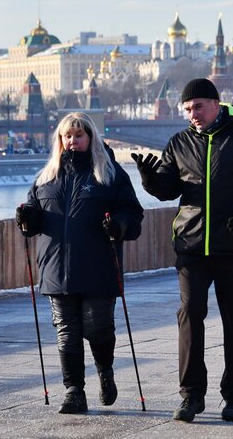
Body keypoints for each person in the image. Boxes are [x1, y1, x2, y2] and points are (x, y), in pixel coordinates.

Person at [132, 78, 233, 422]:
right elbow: (168, 190)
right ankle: (191, 396)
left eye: (198, 106)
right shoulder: (180, 142)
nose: (193, 114)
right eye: (187, 109)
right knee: (189, 316)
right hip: (190, 246)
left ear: (217, 103)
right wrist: (149, 178)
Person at [16, 112, 144, 414]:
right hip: (55, 269)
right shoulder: (46, 177)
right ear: (59, 140)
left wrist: (119, 226)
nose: (72, 141)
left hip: (98, 267)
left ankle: (104, 370)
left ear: (91, 138)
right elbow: (31, 219)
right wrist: (25, 219)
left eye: (79, 135)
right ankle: (74, 390)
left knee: (98, 329)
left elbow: (133, 216)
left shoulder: (109, 175)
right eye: (67, 136)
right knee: (66, 333)